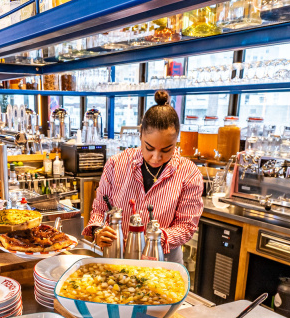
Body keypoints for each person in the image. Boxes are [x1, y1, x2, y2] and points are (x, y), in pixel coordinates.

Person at [83, 90, 204, 263]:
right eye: (149, 148)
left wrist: (156, 238)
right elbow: (100, 210)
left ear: (176, 140)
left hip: (162, 265)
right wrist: (98, 231)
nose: (156, 157)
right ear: (140, 135)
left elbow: (186, 226)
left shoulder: (189, 173)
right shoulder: (117, 164)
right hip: (118, 259)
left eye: (166, 150)